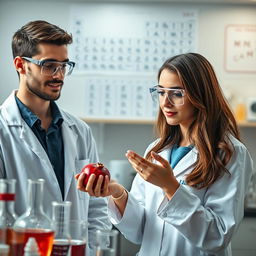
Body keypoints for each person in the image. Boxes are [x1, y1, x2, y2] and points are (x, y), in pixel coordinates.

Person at [76, 53, 254, 256]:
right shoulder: (157, 150)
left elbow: (217, 237)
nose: (165, 103)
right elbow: (140, 231)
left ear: (201, 95)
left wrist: (170, 187)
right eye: (161, 92)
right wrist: (118, 193)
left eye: (177, 93)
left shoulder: (230, 154)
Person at [0, 20, 111, 255]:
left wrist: (93, 249)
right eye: (49, 65)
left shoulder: (80, 131)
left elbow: (97, 206)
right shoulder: (3, 130)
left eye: (64, 65)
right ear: (21, 65)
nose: (59, 75)